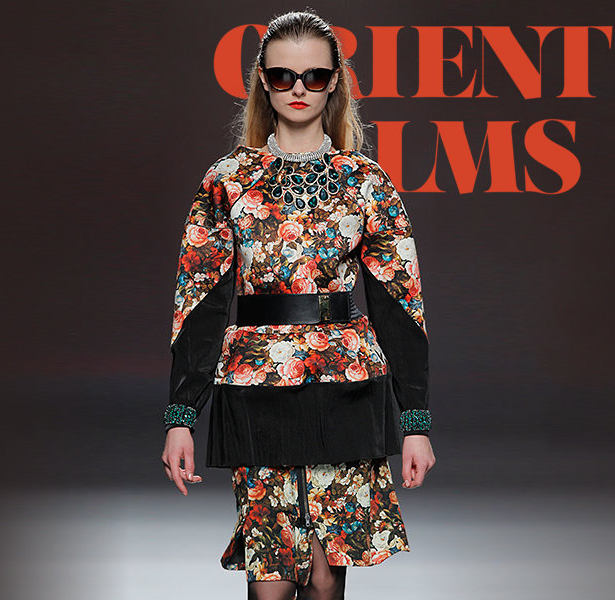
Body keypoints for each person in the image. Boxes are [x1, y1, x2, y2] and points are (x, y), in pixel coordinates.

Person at [160, 10, 436, 600]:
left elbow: (399, 304)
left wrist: (415, 422)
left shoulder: (366, 182)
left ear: (335, 82)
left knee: (326, 576)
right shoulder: (227, 182)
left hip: (346, 386)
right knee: (272, 579)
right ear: (263, 81)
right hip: (256, 388)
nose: (299, 89)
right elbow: (200, 301)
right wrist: (181, 416)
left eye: (314, 76)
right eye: (284, 76)